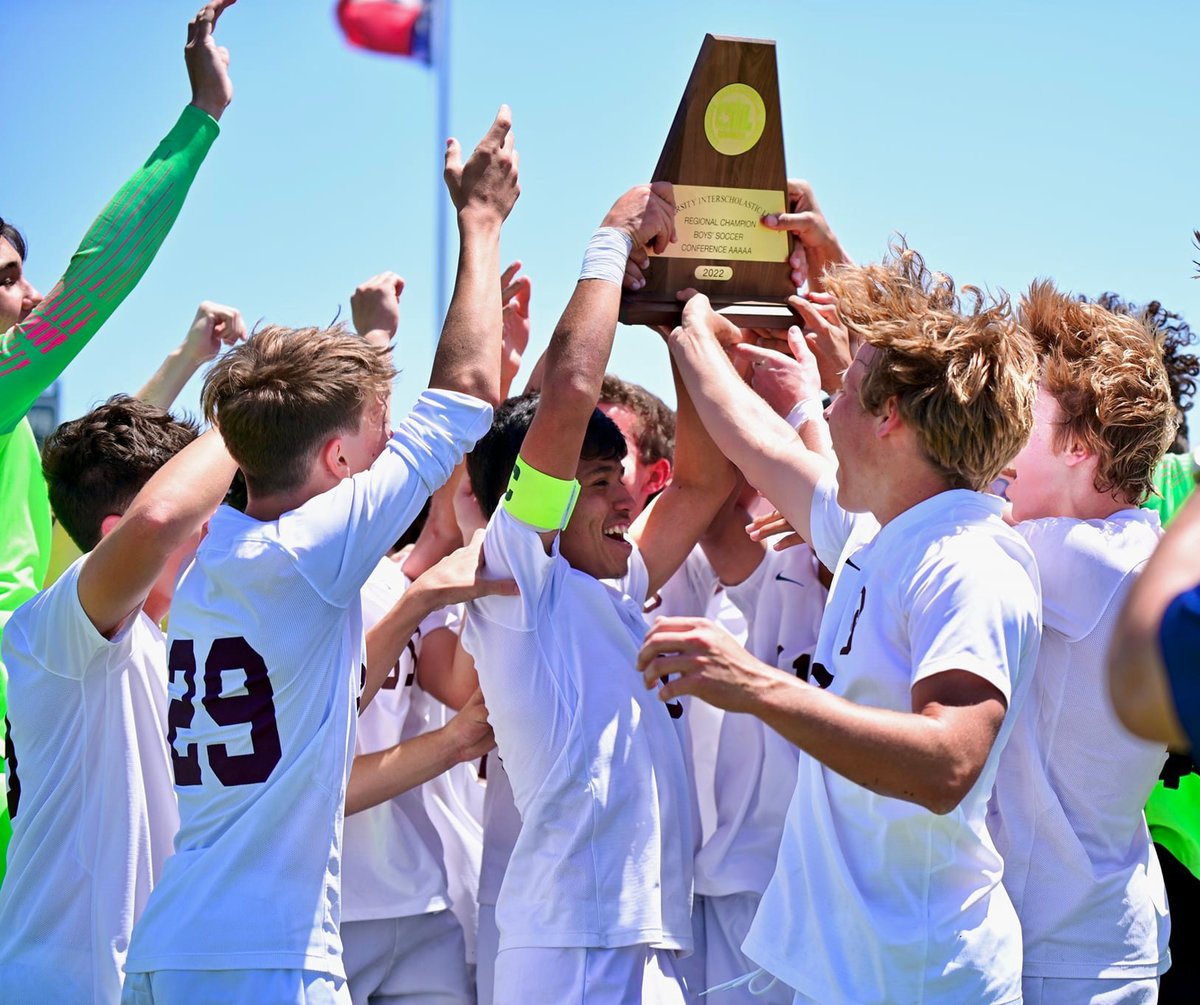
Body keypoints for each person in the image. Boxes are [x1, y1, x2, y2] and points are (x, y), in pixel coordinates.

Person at [120, 107, 520, 1004]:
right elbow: (465, 397)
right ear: (336, 461)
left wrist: (358, 348)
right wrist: (482, 223)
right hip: (264, 961)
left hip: (172, 942)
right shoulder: (312, 550)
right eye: (372, 434)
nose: (386, 445)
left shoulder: (220, 540)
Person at [640, 246, 1041, 1004]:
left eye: (847, 392)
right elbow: (754, 440)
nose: (827, 410)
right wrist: (688, 316)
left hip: (925, 979)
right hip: (856, 974)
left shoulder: (970, 561)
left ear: (889, 417)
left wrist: (756, 686)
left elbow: (947, 762)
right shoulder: (880, 530)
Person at [461, 183, 736, 1004]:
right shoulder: (518, 582)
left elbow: (703, 480)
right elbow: (572, 387)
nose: (626, 500)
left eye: (622, 476)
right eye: (599, 481)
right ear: (534, 492)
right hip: (569, 953)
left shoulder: (614, 584)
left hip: (650, 939)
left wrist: (676, 323)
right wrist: (612, 240)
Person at [0, 0, 236, 877]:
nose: (28, 300)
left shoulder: (14, 434)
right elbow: (87, 292)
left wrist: (179, 363)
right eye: (8, 281)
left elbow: (97, 489)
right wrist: (201, 122)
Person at [0, 400, 234, 1003]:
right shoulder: (55, 629)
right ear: (115, 534)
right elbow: (157, 519)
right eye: (205, 515)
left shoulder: (161, 643)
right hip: (63, 987)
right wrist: (254, 412)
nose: (216, 528)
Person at [987, 282, 1177, 1003]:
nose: (998, 432)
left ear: (1079, 445)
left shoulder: (1086, 561)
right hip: (1094, 939)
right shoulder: (1126, 550)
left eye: (1021, 412)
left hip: (1063, 957)